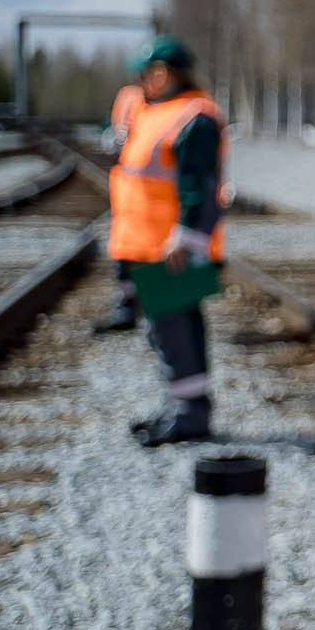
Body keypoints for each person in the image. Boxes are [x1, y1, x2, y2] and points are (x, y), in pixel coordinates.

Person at [108, 36, 228, 446]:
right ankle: (183, 409)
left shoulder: (194, 118)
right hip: (150, 244)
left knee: (175, 332)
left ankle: (191, 416)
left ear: (162, 74)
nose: (140, 82)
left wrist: (187, 237)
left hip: (172, 247)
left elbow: (201, 186)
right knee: (168, 332)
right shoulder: (157, 111)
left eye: (145, 73)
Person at [93, 70, 150, 333]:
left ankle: (155, 312)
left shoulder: (174, 105)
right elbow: (114, 130)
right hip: (130, 193)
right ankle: (128, 305)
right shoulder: (129, 97)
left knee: (154, 255)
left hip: (155, 199)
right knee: (126, 251)